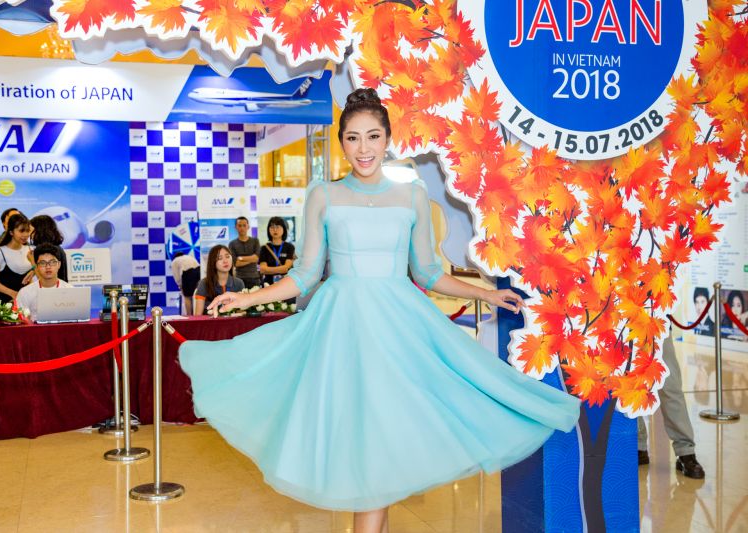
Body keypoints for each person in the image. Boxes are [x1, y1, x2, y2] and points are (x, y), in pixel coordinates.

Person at [179, 88, 580, 533]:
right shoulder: (324, 195)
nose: (363, 148)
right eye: (352, 138)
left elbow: (428, 272)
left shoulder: (412, 196)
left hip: (398, 330)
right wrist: (246, 297)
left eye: (372, 136)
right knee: (365, 449)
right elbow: (306, 274)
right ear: (341, 143)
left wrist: (486, 293)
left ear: (388, 138)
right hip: (342, 331)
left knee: (380, 448)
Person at [637, 336, 705, 479]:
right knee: (629, 384)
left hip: (657, 327)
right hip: (621, 324)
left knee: (670, 384)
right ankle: (638, 445)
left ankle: (685, 450)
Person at [0, 213, 33, 304]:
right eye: (21, 231)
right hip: (5, 304)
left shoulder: (31, 249)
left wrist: (33, 271)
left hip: (28, 301)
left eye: (28, 231)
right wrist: (12, 293)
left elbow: (41, 268)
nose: (26, 234)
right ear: (11, 232)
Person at [16, 244, 72, 319]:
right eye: (42, 263)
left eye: (52, 262)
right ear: (36, 266)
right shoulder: (25, 293)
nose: (48, 267)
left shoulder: (70, 290)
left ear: (59, 264)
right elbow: (21, 321)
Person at [194, 245, 245, 315]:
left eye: (227, 256)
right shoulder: (204, 283)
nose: (225, 261)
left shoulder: (239, 283)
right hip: (210, 321)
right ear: (213, 262)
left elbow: (241, 312)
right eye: (220, 258)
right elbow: (198, 315)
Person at [29, 214, 68, 282]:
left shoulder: (44, 250)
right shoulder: (58, 248)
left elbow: (44, 280)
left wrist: (32, 261)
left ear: (39, 231)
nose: (29, 234)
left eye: (30, 230)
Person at [258, 216, 295, 287]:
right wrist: (281, 269)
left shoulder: (289, 247)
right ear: (268, 230)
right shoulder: (264, 248)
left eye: (277, 227)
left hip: (285, 284)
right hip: (268, 284)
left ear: (284, 229)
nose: (275, 230)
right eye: (272, 227)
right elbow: (262, 269)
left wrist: (268, 270)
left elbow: (286, 268)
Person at [229, 216, 261, 289]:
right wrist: (251, 259)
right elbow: (236, 263)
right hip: (239, 278)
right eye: (239, 225)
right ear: (236, 227)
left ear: (248, 226)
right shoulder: (232, 244)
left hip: (254, 277)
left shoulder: (255, 241)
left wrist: (241, 258)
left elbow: (256, 258)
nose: (242, 228)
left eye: (244, 225)